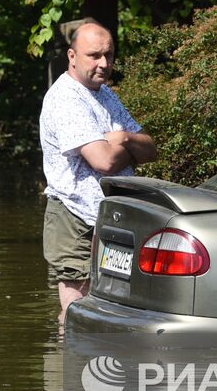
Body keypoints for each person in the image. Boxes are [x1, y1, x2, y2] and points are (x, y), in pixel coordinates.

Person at [39, 22, 157, 319]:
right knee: (77, 310)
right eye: (94, 55)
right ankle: (68, 361)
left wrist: (125, 138)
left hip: (112, 214)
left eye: (109, 55)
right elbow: (102, 162)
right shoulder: (66, 98)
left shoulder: (105, 94)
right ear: (72, 56)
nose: (104, 64)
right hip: (75, 216)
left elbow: (151, 149)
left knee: (111, 305)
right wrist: (127, 152)